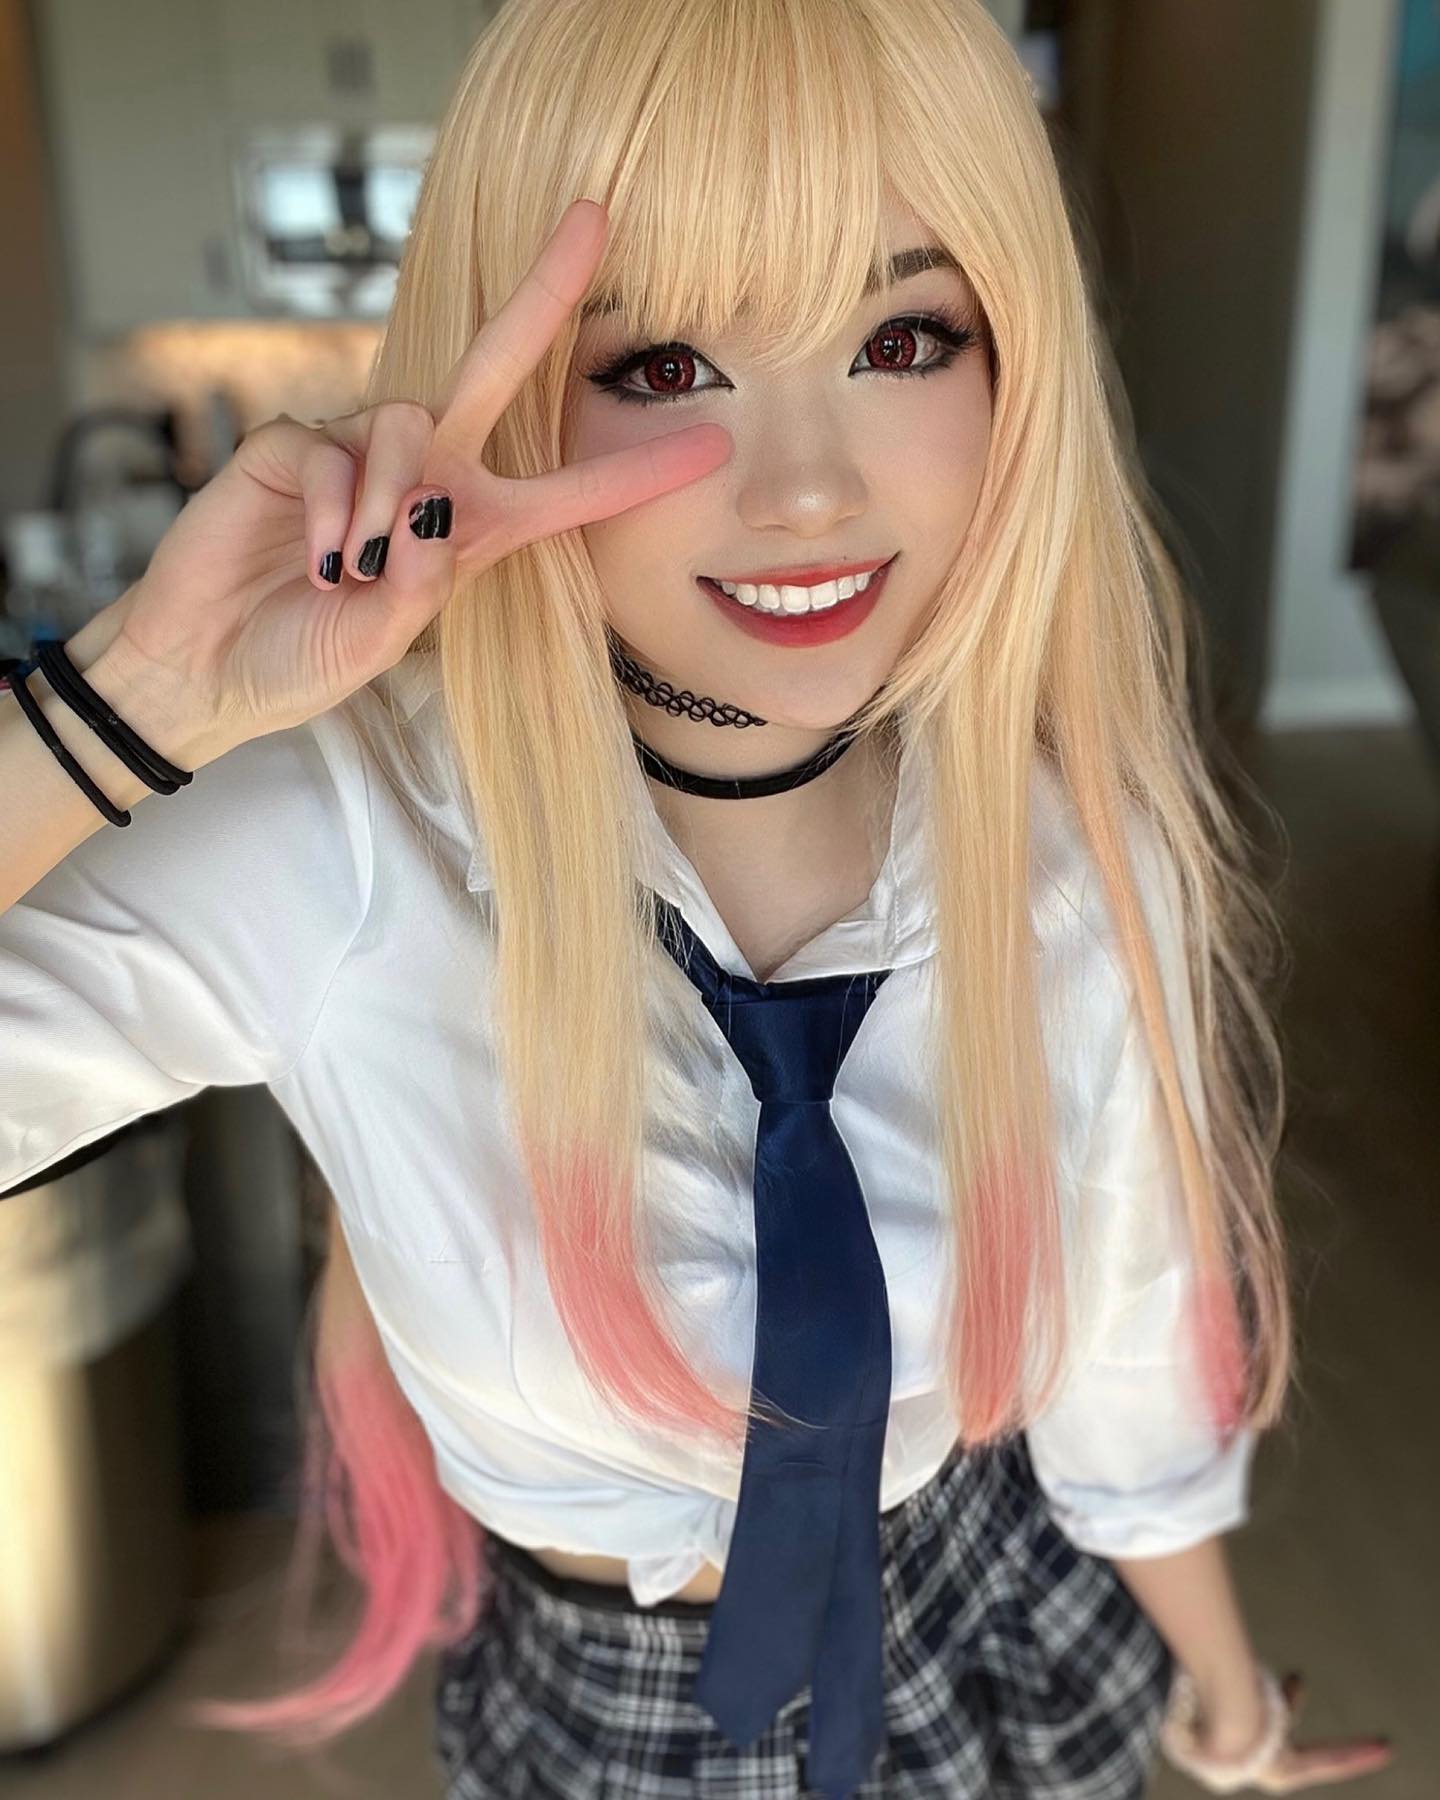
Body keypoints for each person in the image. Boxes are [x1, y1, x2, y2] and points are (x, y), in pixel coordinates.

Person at [0, 0, 1397, 1794]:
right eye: (662, 365)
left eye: (903, 336)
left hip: (990, 1618)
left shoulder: (1063, 850)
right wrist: (126, 703)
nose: (807, 490)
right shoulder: (346, 840)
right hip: (613, 1709)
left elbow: (1123, 1338)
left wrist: (1224, 1695)